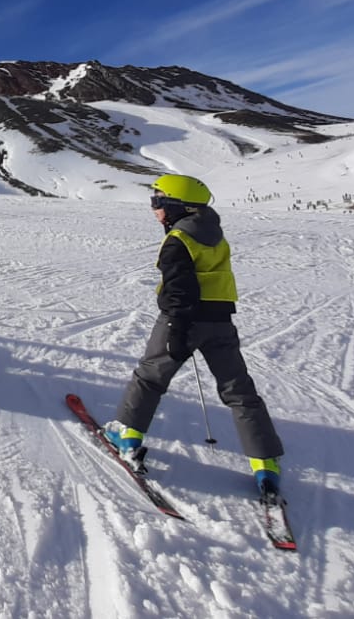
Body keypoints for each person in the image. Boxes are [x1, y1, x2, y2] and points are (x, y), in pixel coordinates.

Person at [102, 174, 286, 496]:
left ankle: (127, 435)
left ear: (177, 205)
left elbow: (179, 289)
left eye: (158, 201)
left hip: (184, 321)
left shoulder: (178, 239)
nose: (153, 208)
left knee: (150, 377)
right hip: (220, 321)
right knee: (240, 391)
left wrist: (176, 328)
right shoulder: (213, 233)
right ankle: (265, 463)